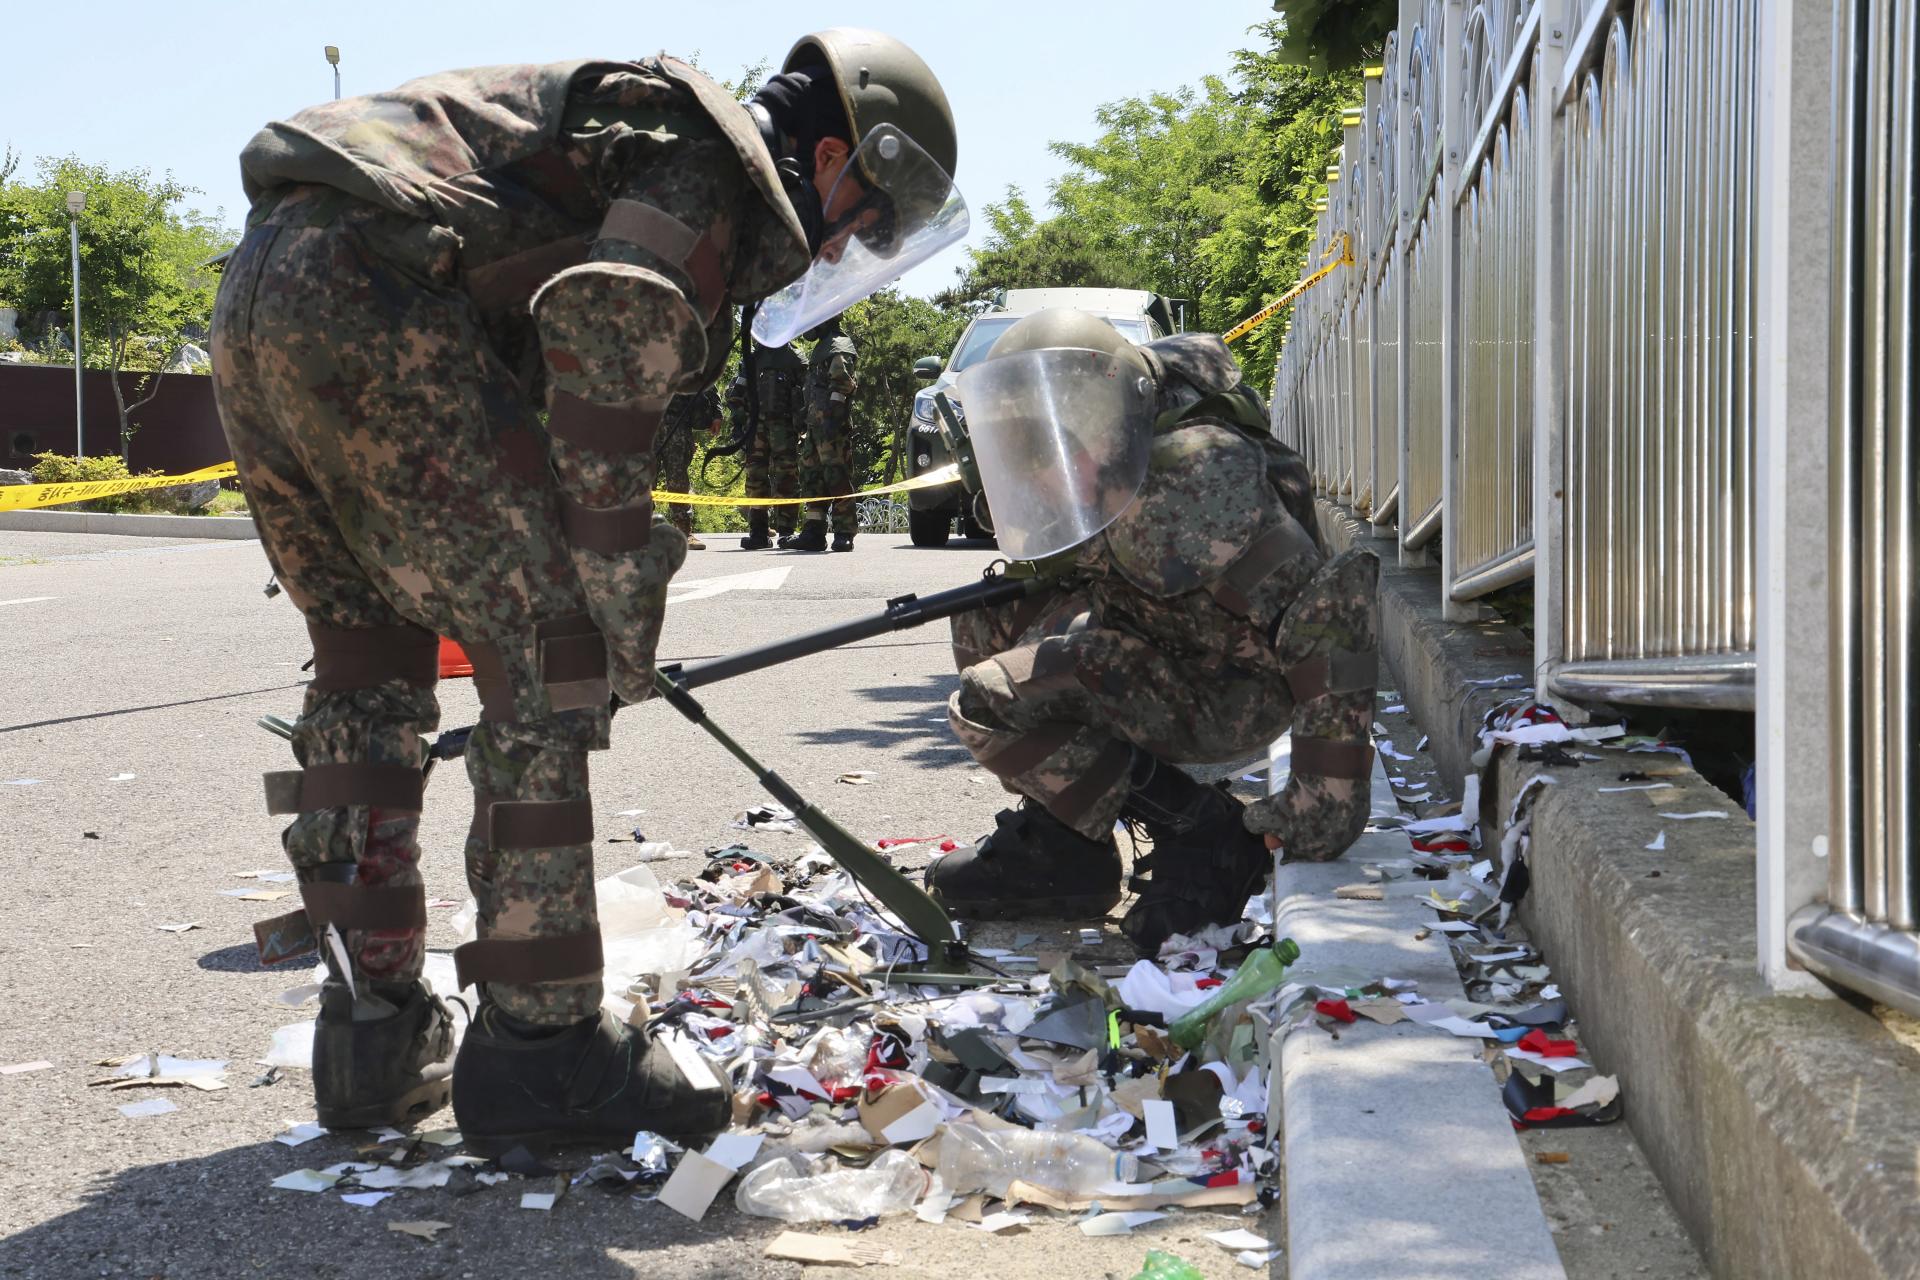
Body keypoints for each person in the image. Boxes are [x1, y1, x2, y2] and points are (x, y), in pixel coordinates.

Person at [210, 30, 962, 1149]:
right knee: (549, 659)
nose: (845, 247)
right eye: (867, 219)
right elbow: (605, 326)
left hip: (263, 295)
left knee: (365, 671)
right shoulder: (710, 161)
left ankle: (371, 1038)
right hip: (377, 297)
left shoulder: (625, 131)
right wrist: (610, 607)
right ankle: (545, 1057)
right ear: (836, 159)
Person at [924, 311, 1379, 955]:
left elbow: (1328, 616)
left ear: (1094, 433)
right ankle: (1068, 847)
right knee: (984, 617)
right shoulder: (1116, 464)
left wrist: (1321, 806)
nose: (1031, 480)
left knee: (986, 701)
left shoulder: (1190, 489)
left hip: (1234, 686)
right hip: (1168, 637)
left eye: (1041, 456)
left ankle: (1203, 832)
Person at [783, 316, 859, 552]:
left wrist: (833, 421)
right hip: (815, 429)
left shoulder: (838, 345)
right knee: (812, 479)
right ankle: (814, 532)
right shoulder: (822, 348)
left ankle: (844, 531)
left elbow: (842, 383)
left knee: (837, 476)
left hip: (831, 429)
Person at [730, 339, 807, 548]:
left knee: (787, 478)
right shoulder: (752, 359)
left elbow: (806, 392)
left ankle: (787, 532)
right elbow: (737, 393)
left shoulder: (794, 357)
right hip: (756, 427)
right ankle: (758, 533)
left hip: (785, 426)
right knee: (755, 478)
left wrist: (804, 424)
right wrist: (738, 425)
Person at [657, 385, 724, 549]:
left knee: (678, 481)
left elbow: (707, 377)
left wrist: (716, 413)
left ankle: (683, 532)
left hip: (678, 423)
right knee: (642, 480)